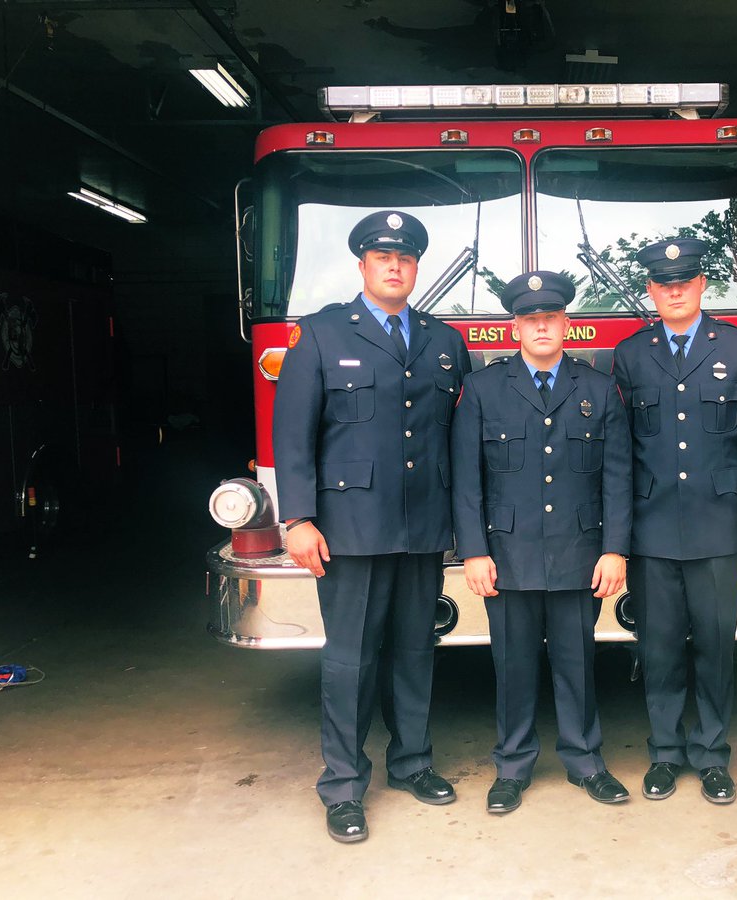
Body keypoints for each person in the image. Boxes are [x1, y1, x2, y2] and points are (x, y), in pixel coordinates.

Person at [273, 210, 472, 843]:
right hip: (349, 527)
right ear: (362, 265)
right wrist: (298, 517)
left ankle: (412, 763)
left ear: (417, 267)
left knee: (415, 651)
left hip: (421, 526)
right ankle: (343, 786)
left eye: (406, 258)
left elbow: (457, 438)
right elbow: (294, 435)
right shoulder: (324, 334)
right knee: (350, 659)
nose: (395, 266)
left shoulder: (444, 342)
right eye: (383, 257)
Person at [451, 270, 632, 814]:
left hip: (580, 552)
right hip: (507, 555)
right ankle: (511, 767)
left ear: (567, 324)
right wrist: (474, 551)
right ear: (515, 328)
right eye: (531, 319)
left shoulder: (597, 387)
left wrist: (615, 549)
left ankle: (585, 762)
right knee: (513, 665)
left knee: (577, 661)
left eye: (551, 317)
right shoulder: (484, 388)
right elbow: (467, 477)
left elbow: (616, 476)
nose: (542, 327)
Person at [611, 238, 737, 805]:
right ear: (651, 291)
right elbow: (622, 448)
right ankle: (663, 754)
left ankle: (712, 755)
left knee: (714, 643)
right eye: (663, 282)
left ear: (702, 284)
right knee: (658, 646)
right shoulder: (631, 354)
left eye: (684, 279)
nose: (675, 289)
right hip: (652, 526)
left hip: (720, 525)